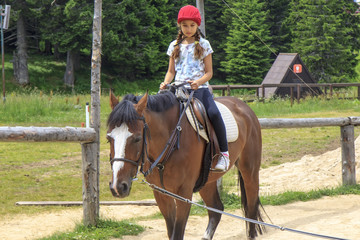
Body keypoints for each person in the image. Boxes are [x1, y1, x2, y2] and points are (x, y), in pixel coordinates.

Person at [159, 5, 229, 171]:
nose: (188, 29)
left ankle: (224, 154)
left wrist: (198, 82)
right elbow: (171, 71)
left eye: (192, 25)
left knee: (213, 112)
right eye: (185, 25)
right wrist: (165, 83)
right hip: (177, 89)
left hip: (199, 89)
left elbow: (209, 72)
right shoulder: (174, 45)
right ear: (179, 26)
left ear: (197, 25)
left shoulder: (204, 44)